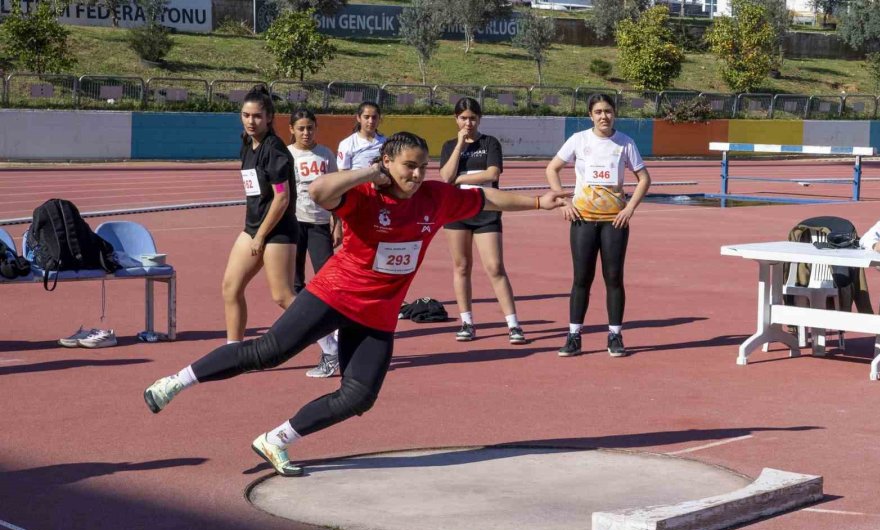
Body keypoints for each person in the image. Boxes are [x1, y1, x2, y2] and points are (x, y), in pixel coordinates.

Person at [143, 132, 569, 477]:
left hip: (378, 314)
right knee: (268, 352)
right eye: (409, 166)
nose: (418, 174)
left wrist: (536, 202)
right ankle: (175, 381)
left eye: (423, 166)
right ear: (387, 164)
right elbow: (319, 189)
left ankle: (277, 439)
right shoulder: (365, 194)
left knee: (358, 396)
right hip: (334, 294)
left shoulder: (435, 198)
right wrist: (368, 173)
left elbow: (485, 199)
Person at [545, 93, 651, 358]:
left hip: (614, 221)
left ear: (614, 113)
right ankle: (573, 336)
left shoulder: (625, 143)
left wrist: (629, 208)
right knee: (582, 279)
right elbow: (552, 168)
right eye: (598, 112)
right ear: (590, 115)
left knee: (613, 279)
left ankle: (615, 335)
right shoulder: (579, 140)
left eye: (608, 111)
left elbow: (644, 178)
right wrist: (562, 201)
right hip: (582, 219)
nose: (604, 116)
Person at [439, 97, 525, 344]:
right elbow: (445, 175)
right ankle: (467, 322)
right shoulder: (449, 146)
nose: (468, 122)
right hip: (456, 212)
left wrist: (460, 179)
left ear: (479, 119)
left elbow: (492, 173)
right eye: (463, 118)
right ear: (456, 119)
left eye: (472, 118)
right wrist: (458, 146)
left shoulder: (490, 143)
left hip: (486, 211)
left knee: (495, 267)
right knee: (462, 266)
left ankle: (513, 324)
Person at [224, 85, 299, 343]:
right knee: (230, 289)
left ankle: (331, 344)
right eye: (246, 115)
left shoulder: (275, 150)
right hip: (253, 227)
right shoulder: (247, 146)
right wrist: (254, 233)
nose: (251, 121)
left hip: (278, 230)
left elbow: (282, 198)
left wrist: (261, 236)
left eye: (257, 116)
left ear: (269, 118)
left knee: (282, 296)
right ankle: (233, 352)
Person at [287, 108, 342, 378]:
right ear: (292, 130)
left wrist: (338, 221)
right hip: (294, 224)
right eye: (301, 128)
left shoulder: (326, 155)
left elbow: (336, 190)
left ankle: (335, 328)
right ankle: (311, 329)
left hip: (320, 224)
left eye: (310, 128)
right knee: (294, 284)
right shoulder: (287, 155)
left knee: (329, 281)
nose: (306, 133)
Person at [337, 101, 386, 171]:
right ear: (358, 118)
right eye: (366, 117)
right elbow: (342, 173)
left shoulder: (386, 142)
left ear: (379, 119)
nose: (371, 121)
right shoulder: (346, 144)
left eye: (374, 117)